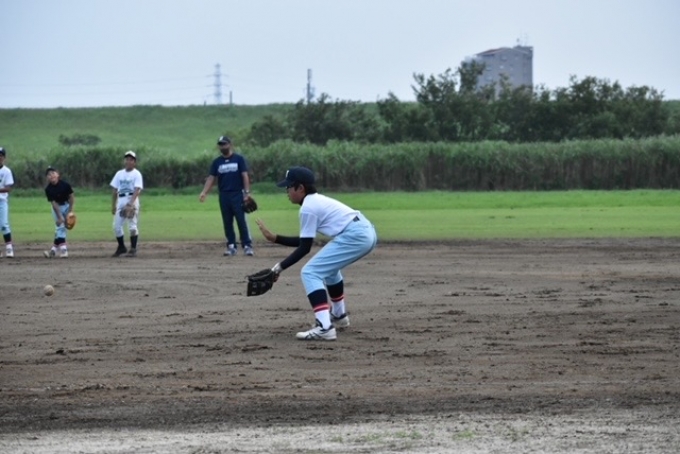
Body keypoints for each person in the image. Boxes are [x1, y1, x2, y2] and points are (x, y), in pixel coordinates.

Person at [255, 166, 378, 341]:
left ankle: (325, 327)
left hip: (355, 235)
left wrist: (278, 268)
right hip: (365, 231)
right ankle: (339, 315)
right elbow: (305, 242)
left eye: (289, 187)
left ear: (300, 188)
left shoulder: (308, 207)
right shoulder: (314, 201)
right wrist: (274, 238)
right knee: (329, 270)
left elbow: (304, 248)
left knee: (310, 272)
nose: (287, 191)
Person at [199, 135, 254, 257]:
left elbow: (245, 176)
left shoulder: (239, 159)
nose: (222, 146)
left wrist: (246, 193)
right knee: (227, 221)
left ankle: (247, 245)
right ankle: (231, 246)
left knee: (241, 220)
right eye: (220, 144)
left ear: (230, 144)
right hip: (224, 195)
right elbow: (211, 178)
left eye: (224, 144)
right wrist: (204, 192)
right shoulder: (217, 162)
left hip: (237, 194)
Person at [110, 150, 143, 257]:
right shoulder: (119, 174)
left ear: (134, 162)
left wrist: (131, 203)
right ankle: (121, 247)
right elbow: (115, 190)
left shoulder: (136, 174)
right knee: (116, 226)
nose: (128, 161)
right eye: (127, 159)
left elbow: (137, 190)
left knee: (132, 226)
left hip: (132, 199)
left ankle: (133, 249)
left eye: (131, 160)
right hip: (121, 200)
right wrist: (113, 205)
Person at [43, 167, 75, 258]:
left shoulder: (65, 185)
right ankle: (64, 250)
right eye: (49, 175)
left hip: (67, 205)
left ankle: (53, 251)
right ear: (47, 178)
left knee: (62, 229)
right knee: (60, 227)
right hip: (57, 208)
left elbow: (71, 197)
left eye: (53, 173)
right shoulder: (48, 189)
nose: (51, 175)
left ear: (58, 174)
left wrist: (70, 211)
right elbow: (54, 204)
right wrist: (60, 217)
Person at [0, 147, 15, 258]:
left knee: (4, 224)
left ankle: (9, 248)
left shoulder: (6, 171)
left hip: (2, 201)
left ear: (4, 158)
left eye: (0, 156)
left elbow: (8, 188)